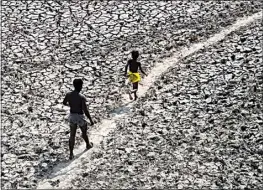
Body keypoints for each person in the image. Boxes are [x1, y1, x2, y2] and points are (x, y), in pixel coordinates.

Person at [63, 79, 94, 160]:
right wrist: (90, 120)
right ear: (81, 86)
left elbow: (64, 102)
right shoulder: (81, 97)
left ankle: (71, 153)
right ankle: (88, 144)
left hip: (72, 116)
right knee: (84, 132)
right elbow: (85, 110)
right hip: (80, 116)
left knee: (72, 135)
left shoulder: (68, 95)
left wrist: (70, 105)